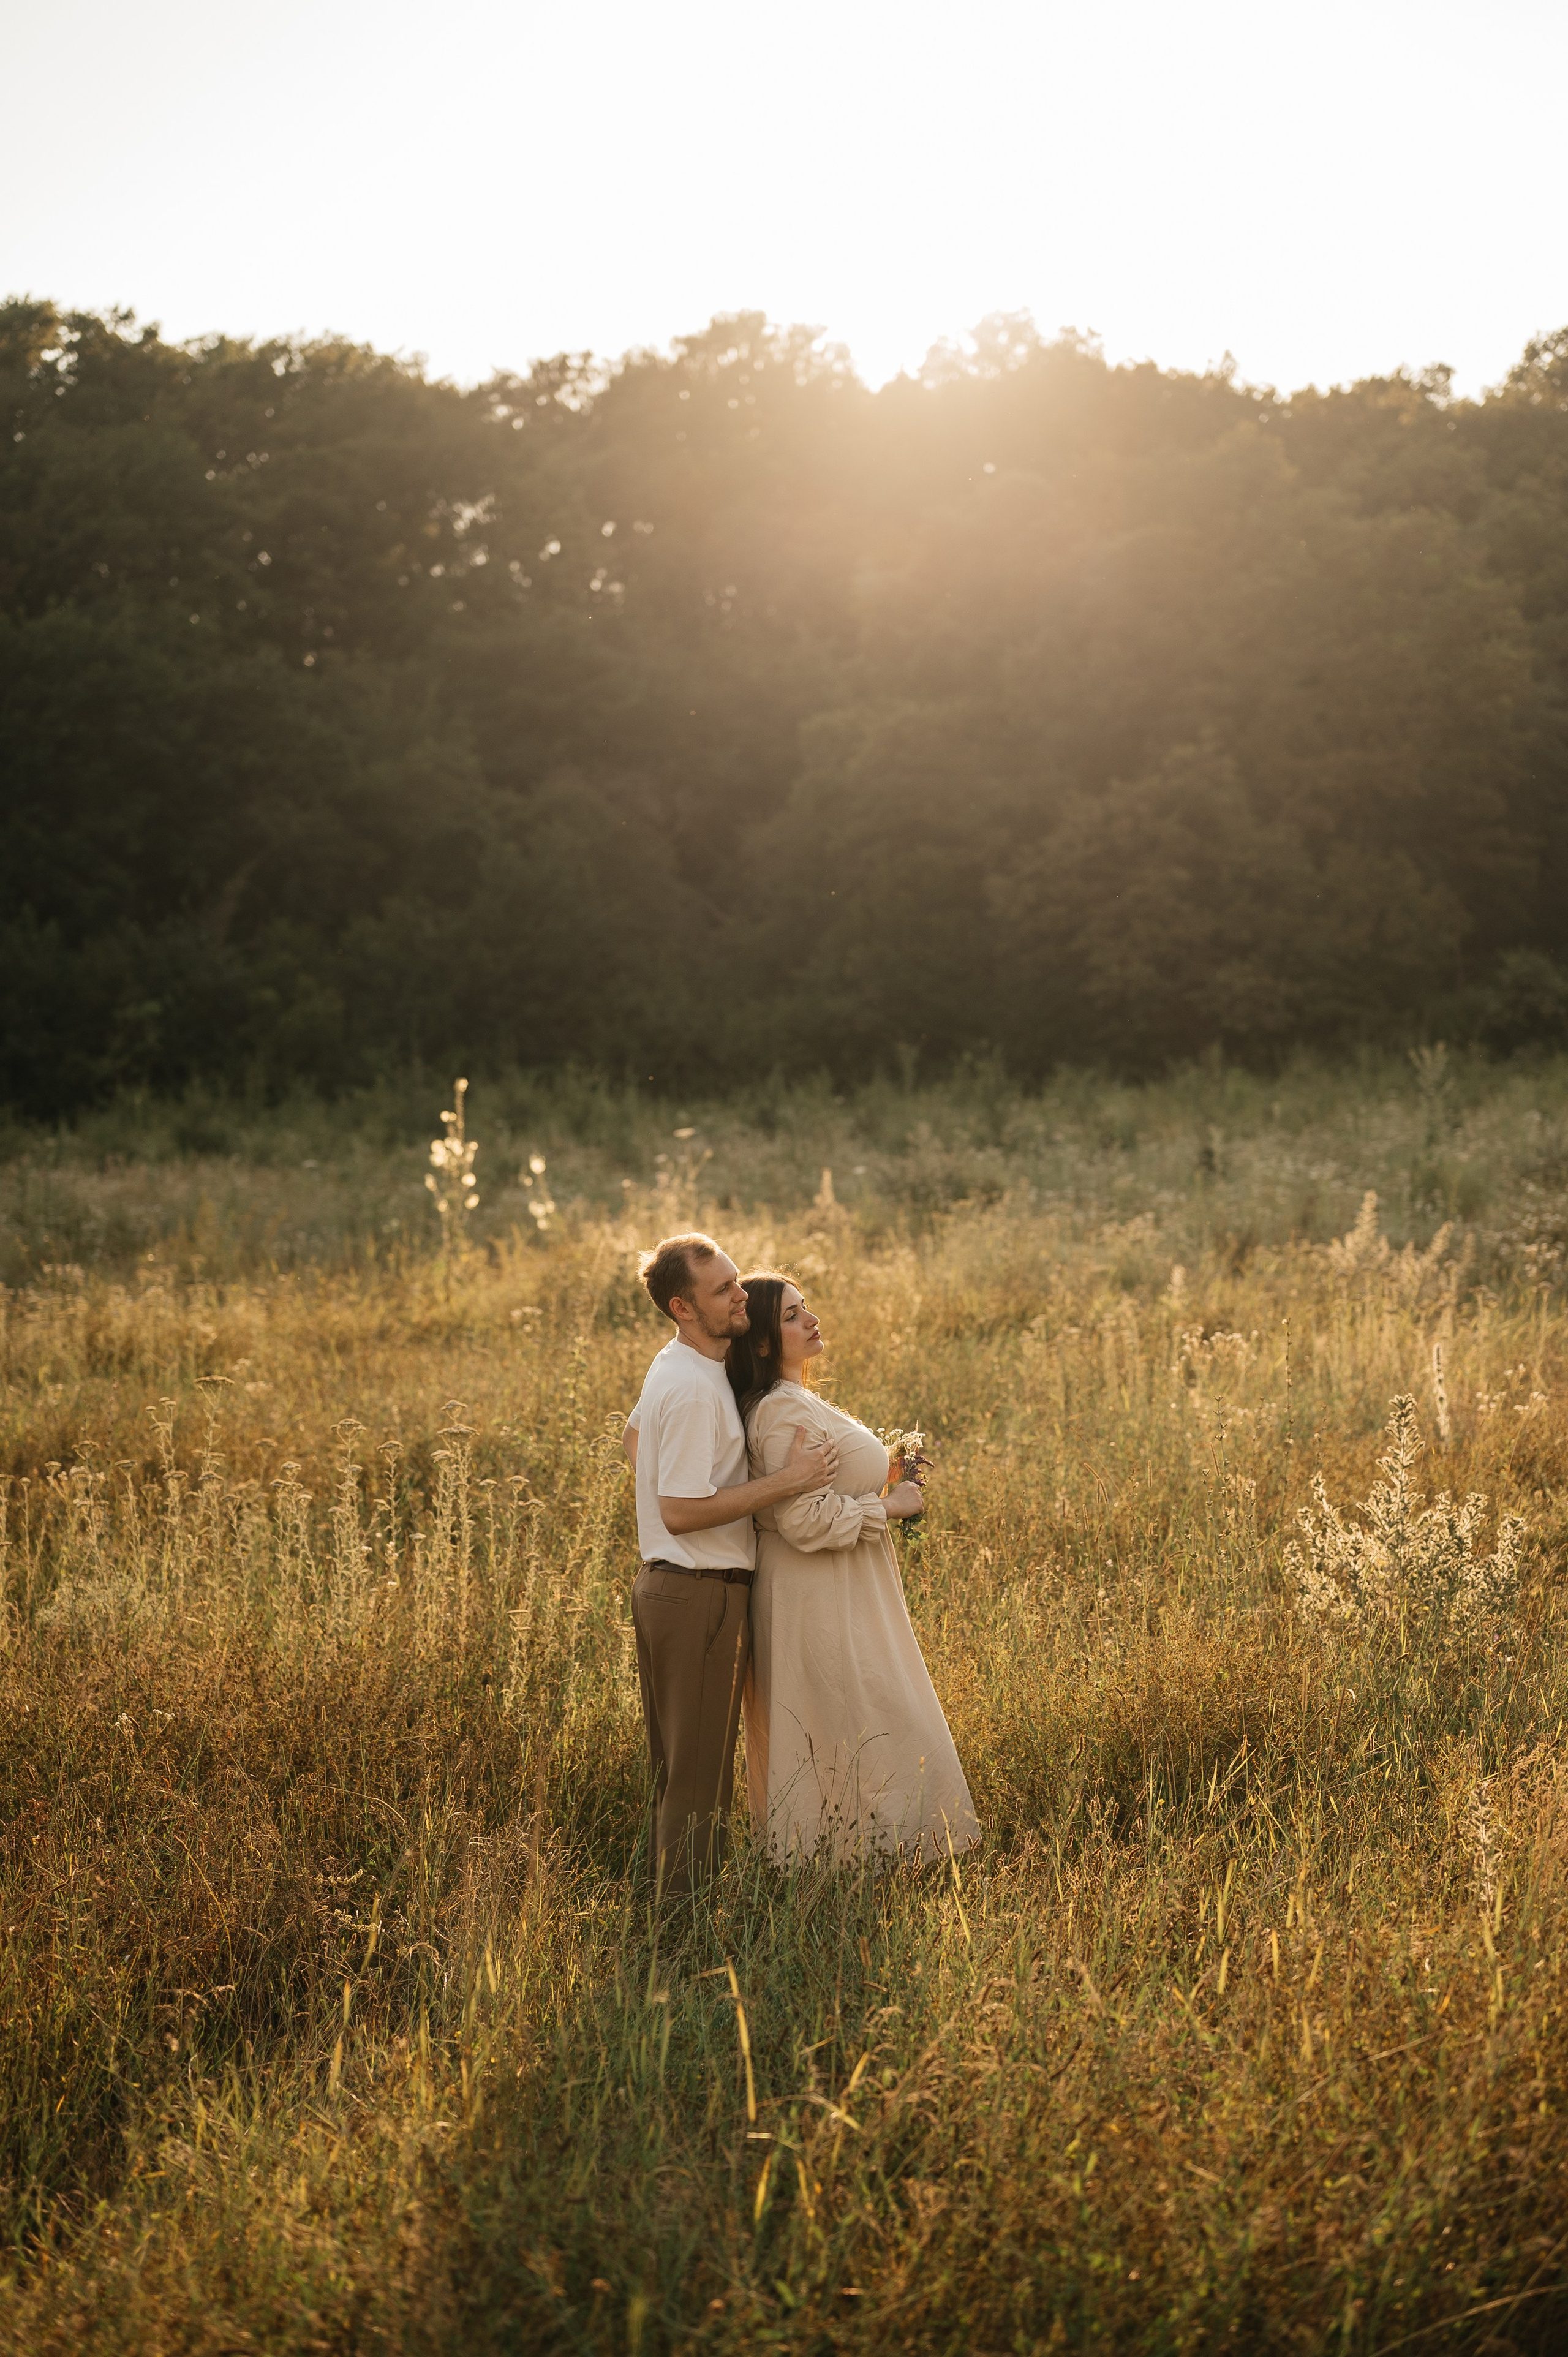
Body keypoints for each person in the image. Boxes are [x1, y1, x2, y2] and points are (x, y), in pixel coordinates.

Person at [729, 1272, 980, 1866]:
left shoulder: (797, 1399)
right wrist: (890, 1505)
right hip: (816, 1593)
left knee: (859, 1713)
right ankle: (845, 1860)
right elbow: (802, 1521)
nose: (810, 1319)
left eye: (805, 1306)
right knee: (851, 1715)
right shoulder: (778, 1412)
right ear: (763, 1342)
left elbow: (821, 1488)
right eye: (791, 1315)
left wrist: (885, 1471)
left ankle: (872, 1855)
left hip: (843, 1586)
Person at [622, 1232, 840, 1897]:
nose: (741, 1293)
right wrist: (789, 1480)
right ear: (683, 1307)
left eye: (736, 1279)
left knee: (680, 1772)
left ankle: (672, 1923)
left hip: (673, 1586)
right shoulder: (692, 1388)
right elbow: (683, 1509)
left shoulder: (680, 1364)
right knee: (697, 1784)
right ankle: (681, 1943)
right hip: (697, 1591)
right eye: (722, 1290)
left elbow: (633, 1438)